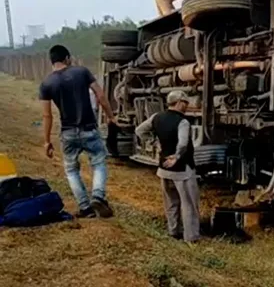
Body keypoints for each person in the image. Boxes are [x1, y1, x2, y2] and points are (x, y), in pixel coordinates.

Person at [39, 45, 116, 218]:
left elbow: (47, 115)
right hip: (89, 128)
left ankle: (85, 208)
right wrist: (111, 117)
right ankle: (97, 195)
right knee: (98, 162)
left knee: (72, 171)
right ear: (67, 58)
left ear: (52, 61)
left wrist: (47, 141)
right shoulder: (82, 72)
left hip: (67, 133)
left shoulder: (47, 83)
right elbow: (101, 95)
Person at [135, 90, 200, 243]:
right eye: (185, 103)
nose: (186, 106)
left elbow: (139, 130)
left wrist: (154, 143)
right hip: (182, 170)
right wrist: (176, 156)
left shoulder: (156, 117)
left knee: (171, 202)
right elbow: (183, 143)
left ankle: (173, 231)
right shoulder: (183, 122)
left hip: (164, 169)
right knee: (189, 203)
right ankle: (191, 237)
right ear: (178, 102)